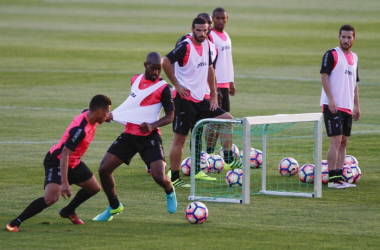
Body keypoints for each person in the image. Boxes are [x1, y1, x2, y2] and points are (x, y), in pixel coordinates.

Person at [6, 95, 112, 232]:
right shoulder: (80, 130)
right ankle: (15, 222)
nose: (108, 115)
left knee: (94, 188)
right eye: (107, 112)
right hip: (57, 161)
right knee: (51, 198)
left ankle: (68, 210)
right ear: (99, 111)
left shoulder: (93, 116)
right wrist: (65, 183)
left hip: (74, 162)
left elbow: (102, 115)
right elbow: (64, 155)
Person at [92, 52, 176, 222]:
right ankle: (114, 206)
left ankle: (169, 190)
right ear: (145, 65)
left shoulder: (164, 88)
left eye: (159, 69)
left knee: (159, 177)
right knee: (103, 169)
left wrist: (152, 125)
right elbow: (133, 107)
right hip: (130, 135)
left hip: (149, 136)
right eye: (153, 68)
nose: (156, 72)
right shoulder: (135, 80)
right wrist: (112, 116)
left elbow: (170, 116)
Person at [163, 17, 241, 188]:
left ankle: (228, 159)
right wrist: (177, 85)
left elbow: (210, 69)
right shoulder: (185, 46)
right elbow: (165, 61)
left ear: (208, 30)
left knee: (227, 119)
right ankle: (174, 177)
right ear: (192, 29)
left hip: (201, 100)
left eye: (204, 30)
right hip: (183, 100)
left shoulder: (209, 47)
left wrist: (213, 95)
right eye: (198, 30)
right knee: (180, 139)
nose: (201, 33)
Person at [320, 24, 361, 189]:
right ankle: (332, 179)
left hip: (347, 107)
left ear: (353, 38)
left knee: (344, 142)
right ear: (339, 37)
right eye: (343, 37)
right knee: (335, 141)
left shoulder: (355, 57)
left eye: (349, 37)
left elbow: (355, 84)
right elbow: (324, 76)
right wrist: (330, 99)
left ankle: (339, 176)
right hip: (333, 106)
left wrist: (356, 105)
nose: (346, 40)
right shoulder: (331, 54)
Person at [205, 7, 236, 155]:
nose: (221, 20)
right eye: (217, 18)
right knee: (215, 120)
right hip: (215, 85)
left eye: (223, 18)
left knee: (221, 121)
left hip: (224, 84)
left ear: (227, 18)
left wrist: (231, 82)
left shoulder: (225, 35)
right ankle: (211, 153)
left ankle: (216, 155)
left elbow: (227, 60)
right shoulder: (210, 36)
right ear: (212, 19)